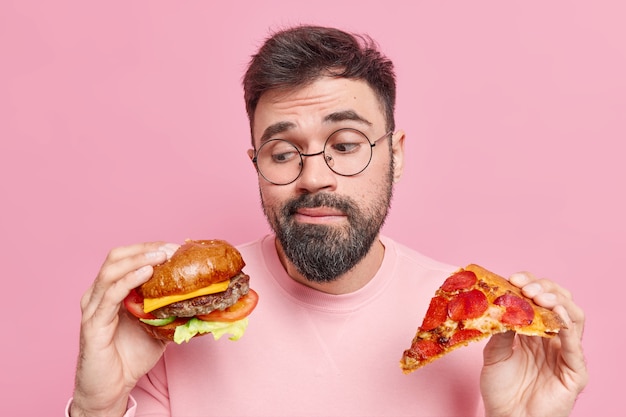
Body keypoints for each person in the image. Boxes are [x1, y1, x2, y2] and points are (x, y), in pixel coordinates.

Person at [67, 25, 588, 417]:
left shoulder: (481, 327)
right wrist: (97, 405)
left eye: (345, 145)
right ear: (256, 165)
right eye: (282, 151)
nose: (314, 176)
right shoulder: (169, 324)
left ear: (397, 156)